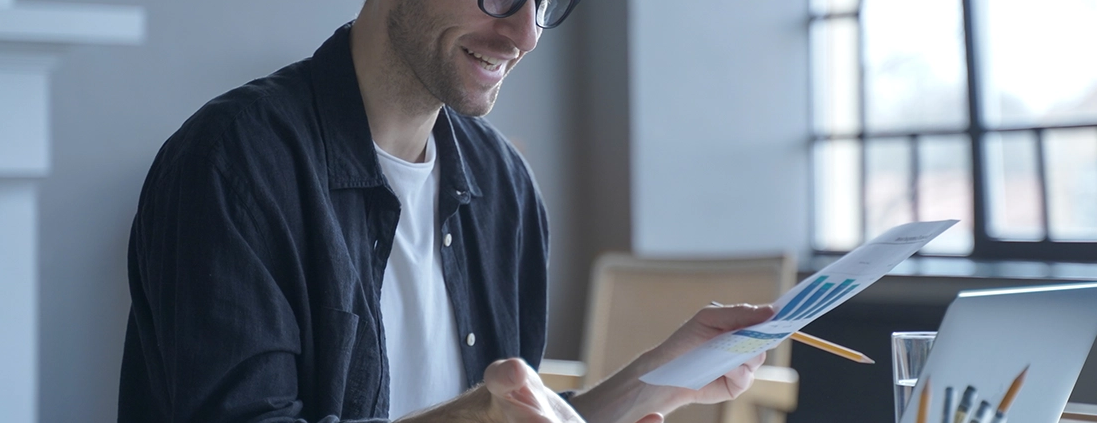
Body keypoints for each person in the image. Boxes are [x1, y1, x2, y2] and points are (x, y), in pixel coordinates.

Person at [118, 0, 774, 422]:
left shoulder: (504, 184)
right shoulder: (233, 163)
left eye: (544, 1)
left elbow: (505, 413)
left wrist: (656, 381)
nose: (525, 33)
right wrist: (469, 416)